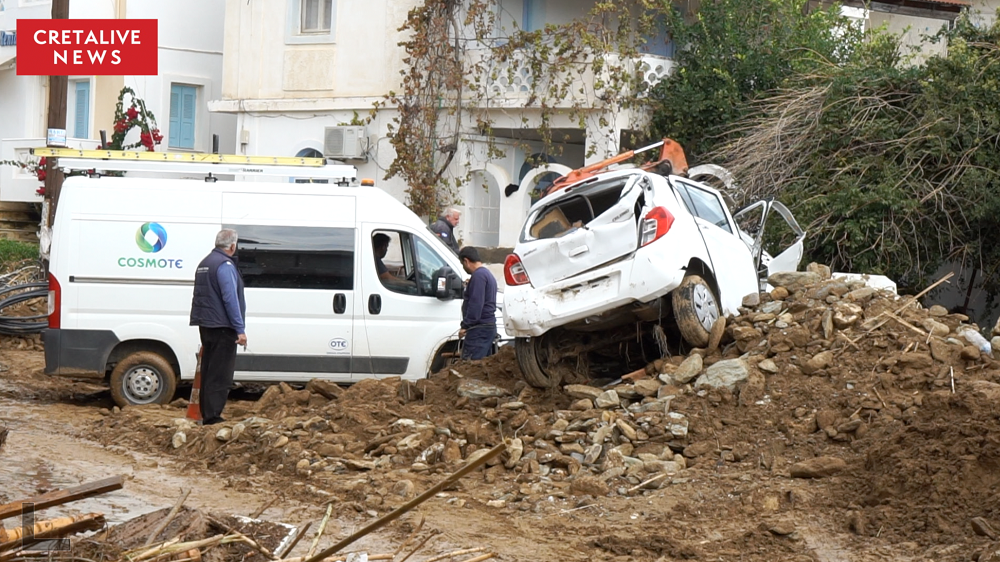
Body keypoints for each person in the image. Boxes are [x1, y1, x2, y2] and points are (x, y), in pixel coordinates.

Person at [189, 229, 246, 425]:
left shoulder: (205, 263)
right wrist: (239, 328)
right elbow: (230, 299)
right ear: (232, 246)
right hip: (223, 326)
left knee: (208, 369)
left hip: (206, 324)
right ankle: (213, 416)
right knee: (220, 373)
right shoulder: (225, 265)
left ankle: (207, 413)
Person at [457, 246, 497, 360]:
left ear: (466, 261)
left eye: (462, 264)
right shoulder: (487, 275)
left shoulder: (478, 276)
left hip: (479, 330)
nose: (463, 267)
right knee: (481, 368)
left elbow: (476, 304)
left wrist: (465, 326)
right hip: (487, 328)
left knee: (470, 366)